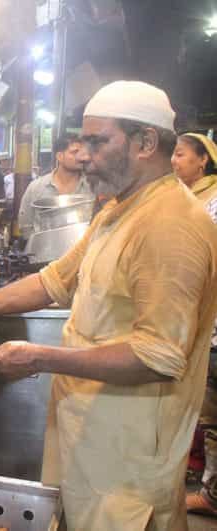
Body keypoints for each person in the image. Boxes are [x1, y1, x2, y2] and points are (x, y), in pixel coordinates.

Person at [0, 81, 217, 530]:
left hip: (128, 459)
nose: (83, 155)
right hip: (93, 438)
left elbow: (158, 356)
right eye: (82, 142)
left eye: (98, 142)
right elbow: (53, 281)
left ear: (146, 142)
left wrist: (39, 356)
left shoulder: (171, 226)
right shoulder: (120, 209)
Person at [169, 133, 217, 516]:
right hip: (194, 317)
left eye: (181, 155)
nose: (174, 161)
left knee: (212, 410)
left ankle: (212, 494)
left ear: (203, 161)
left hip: (211, 321)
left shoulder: (212, 201)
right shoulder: (181, 197)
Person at [17, 133, 92, 238]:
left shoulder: (92, 188)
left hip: (84, 252)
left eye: (82, 153)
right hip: (44, 252)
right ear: (60, 156)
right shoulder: (36, 188)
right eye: (75, 152)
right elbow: (25, 226)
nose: (81, 157)